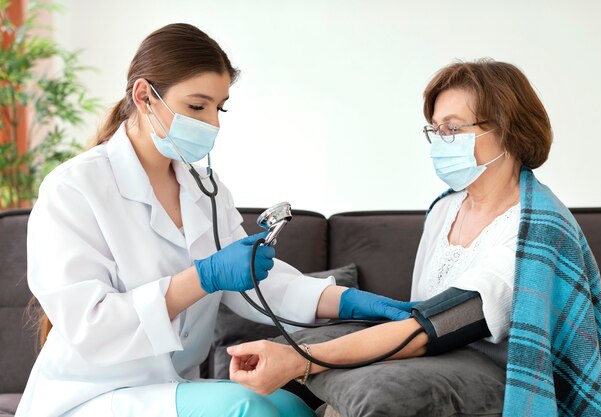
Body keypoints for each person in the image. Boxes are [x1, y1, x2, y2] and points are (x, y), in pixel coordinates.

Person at [16, 23, 416, 417]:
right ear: (144, 96)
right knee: (243, 408)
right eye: (196, 106)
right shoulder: (73, 188)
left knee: (291, 407)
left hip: (171, 388)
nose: (213, 123)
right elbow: (91, 326)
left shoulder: (203, 186)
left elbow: (258, 284)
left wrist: (346, 301)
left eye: (218, 107)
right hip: (91, 395)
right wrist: (204, 276)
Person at [227, 59, 601, 416]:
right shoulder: (445, 209)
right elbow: (421, 316)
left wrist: (302, 359)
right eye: (435, 130)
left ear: (507, 129)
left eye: (453, 129)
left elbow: (435, 327)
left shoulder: (534, 233)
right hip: (437, 360)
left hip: (504, 379)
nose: (440, 143)